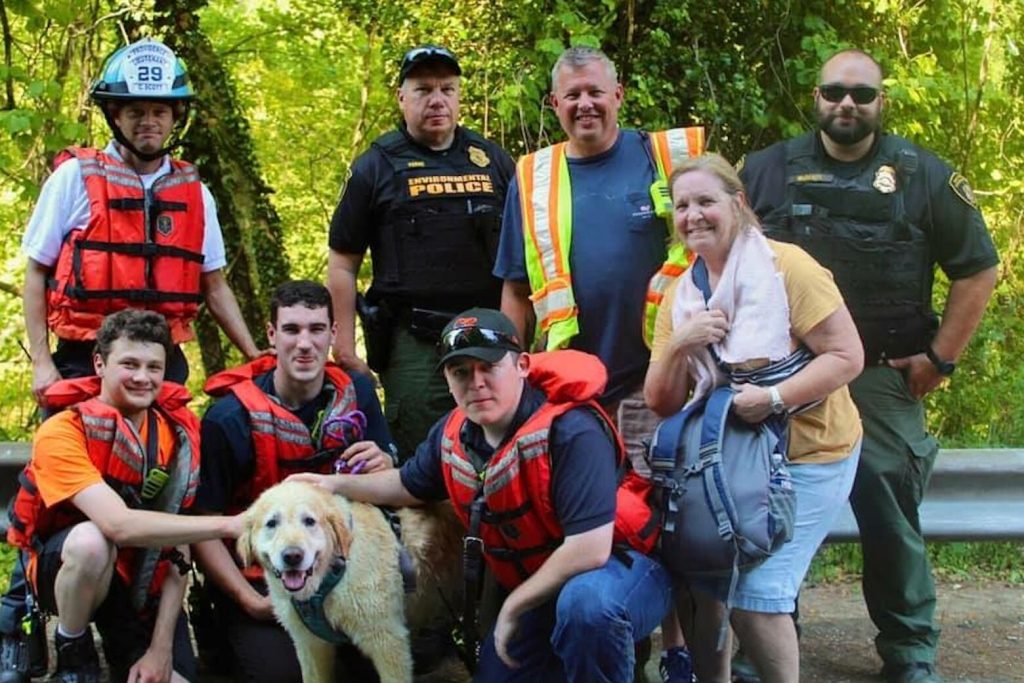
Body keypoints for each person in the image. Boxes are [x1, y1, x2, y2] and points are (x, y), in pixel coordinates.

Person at [3, 38, 262, 683]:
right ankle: (20, 615)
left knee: (171, 481)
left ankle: (147, 615)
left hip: (158, 360)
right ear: (115, 114)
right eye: (136, 111)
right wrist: (41, 363)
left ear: (177, 119)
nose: (150, 122)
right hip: (83, 354)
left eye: (162, 112)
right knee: (54, 485)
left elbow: (213, 283)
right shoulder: (75, 178)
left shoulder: (193, 191)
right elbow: (36, 272)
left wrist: (257, 355)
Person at [739, 49, 999, 683]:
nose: (846, 103)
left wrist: (942, 358)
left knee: (887, 508)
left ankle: (910, 650)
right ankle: (762, 643)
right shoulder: (766, 171)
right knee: (769, 507)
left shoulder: (923, 175)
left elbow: (977, 268)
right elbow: (727, 257)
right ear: (817, 97)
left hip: (881, 375)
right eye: (834, 91)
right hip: (786, 376)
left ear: (881, 101)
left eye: (862, 93)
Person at [289, 308, 671, 682]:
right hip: (543, 587)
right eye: (461, 372)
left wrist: (512, 609)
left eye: (489, 367)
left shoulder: (571, 430)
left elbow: (590, 549)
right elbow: (407, 484)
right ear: (447, 380)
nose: (477, 382)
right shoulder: (454, 432)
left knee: (587, 608)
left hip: (622, 573)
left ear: (522, 365)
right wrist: (333, 485)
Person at [495, 45, 703, 680]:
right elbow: (514, 288)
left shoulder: (669, 159)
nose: (584, 103)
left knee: (666, 518)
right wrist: (510, 369)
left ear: (619, 94)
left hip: (660, 381)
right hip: (571, 394)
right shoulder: (532, 178)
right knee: (594, 520)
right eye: (571, 95)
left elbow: (723, 251)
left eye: (595, 91)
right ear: (555, 105)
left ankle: (679, 652)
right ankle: (607, 643)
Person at [644, 153, 865, 683]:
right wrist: (682, 344)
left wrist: (774, 398)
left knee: (757, 596)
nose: (693, 215)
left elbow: (847, 356)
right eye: (682, 206)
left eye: (705, 201)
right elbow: (660, 400)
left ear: (737, 204)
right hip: (730, 459)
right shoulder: (681, 292)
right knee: (707, 580)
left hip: (811, 452)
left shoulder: (788, 267)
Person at [5, 309, 244, 683]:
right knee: (92, 541)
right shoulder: (62, 431)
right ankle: (73, 650)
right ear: (99, 363)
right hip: (68, 569)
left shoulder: (175, 434)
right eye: (129, 364)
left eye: (154, 367)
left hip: (139, 583)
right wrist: (232, 524)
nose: (142, 377)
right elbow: (117, 525)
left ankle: (136, 646)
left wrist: (160, 648)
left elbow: (179, 545)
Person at [191, 280, 397, 681]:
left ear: (334, 334)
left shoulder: (357, 393)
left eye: (317, 329)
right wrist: (247, 599)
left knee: (374, 668)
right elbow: (204, 526)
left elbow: (394, 485)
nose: (305, 343)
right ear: (271, 335)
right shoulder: (228, 419)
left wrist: (386, 460)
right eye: (291, 329)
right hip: (264, 585)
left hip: (347, 579)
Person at [327, 44, 515, 462]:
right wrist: (343, 347)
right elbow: (342, 262)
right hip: (413, 341)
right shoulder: (375, 166)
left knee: (497, 449)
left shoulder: (493, 162)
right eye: (423, 89)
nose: (437, 100)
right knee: (418, 457)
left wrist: (518, 336)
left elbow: (521, 262)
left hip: (487, 336)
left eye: (447, 89)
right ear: (401, 97)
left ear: (459, 95)